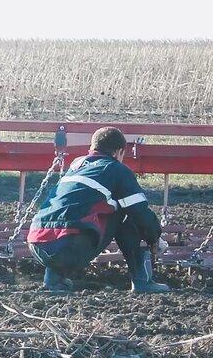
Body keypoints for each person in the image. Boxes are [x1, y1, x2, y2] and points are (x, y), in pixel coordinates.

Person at [26, 126, 170, 293]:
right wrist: (154, 239)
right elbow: (140, 212)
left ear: (92, 148)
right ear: (118, 152)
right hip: (69, 247)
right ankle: (143, 281)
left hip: (36, 244)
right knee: (125, 213)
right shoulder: (116, 169)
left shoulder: (76, 165)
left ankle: (54, 280)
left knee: (68, 218)